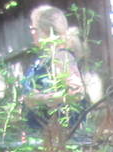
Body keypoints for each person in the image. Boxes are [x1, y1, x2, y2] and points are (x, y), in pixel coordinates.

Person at [21, 5, 87, 133]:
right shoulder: (43, 59)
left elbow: (77, 93)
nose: (31, 32)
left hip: (61, 133)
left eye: (34, 28)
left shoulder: (61, 56)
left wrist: (39, 99)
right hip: (42, 131)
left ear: (46, 30)